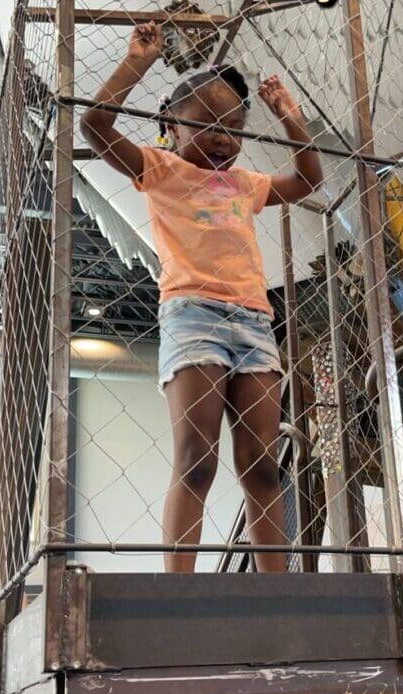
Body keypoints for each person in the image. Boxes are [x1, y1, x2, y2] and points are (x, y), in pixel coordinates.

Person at [81, 23, 323, 572]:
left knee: (262, 463)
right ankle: (178, 590)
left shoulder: (245, 183)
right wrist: (137, 62)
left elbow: (308, 178)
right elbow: (95, 125)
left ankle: (277, 589)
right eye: (208, 124)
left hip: (255, 322)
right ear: (170, 124)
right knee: (197, 460)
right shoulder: (160, 168)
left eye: (234, 128)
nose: (223, 137)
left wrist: (289, 113)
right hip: (193, 315)